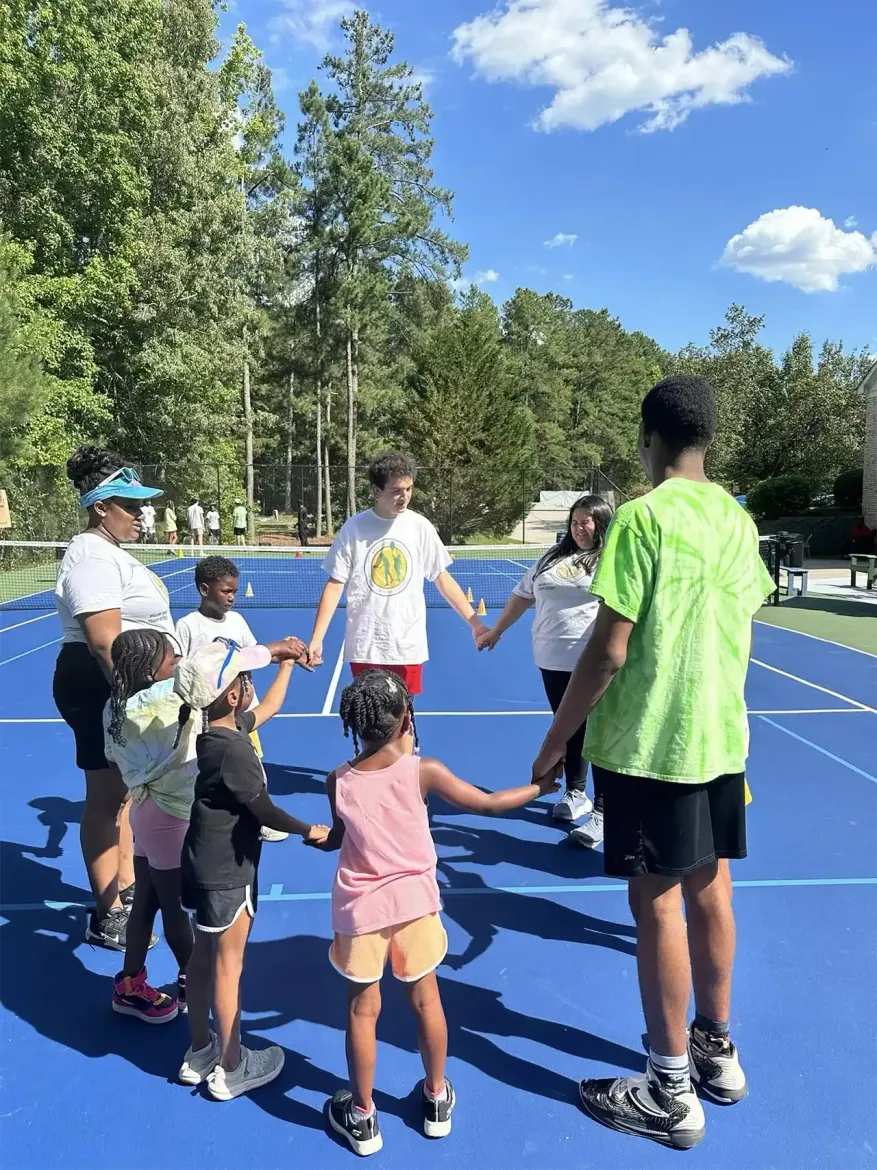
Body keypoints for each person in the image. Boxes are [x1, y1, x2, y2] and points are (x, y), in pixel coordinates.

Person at [532, 375, 776, 1151]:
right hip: (720, 739)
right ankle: (714, 1044)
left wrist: (552, 745)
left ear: (648, 438)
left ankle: (668, 1088)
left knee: (657, 906)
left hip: (649, 744)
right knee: (712, 887)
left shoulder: (638, 519)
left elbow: (606, 652)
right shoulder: (737, 520)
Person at [308, 670, 560, 1156]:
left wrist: (321, 837)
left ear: (354, 726)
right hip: (416, 907)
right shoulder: (423, 771)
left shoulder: (337, 781)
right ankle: (436, 1097)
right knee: (427, 1001)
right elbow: (487, 805)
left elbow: (338, 839)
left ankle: (362, 1117)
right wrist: (539, 788)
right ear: (407, 717)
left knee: (363, 1011)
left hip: (360, 912)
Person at [175, 639, 327, 1100]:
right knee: (228, 967)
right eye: (245, 676)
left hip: (199, 861)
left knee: (202, 958)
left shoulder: (212, 732)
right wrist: (309, 829)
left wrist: (286, 664)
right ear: (235, 694)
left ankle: (200, 1049)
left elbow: (271, 707)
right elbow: (266, 812)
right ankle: (233, 1064)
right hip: (228, 871)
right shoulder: (237, 752)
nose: (250, 680)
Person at [53, 447, 175, 950]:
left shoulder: (112, 554)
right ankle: (108, 915)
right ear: (101, 507)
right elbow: (105, 641)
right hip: (102, 685)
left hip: (121, 685)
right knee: (105, 801)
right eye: (131, 505)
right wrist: (137, 704)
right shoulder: (91, 558)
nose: (142, 514)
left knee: (123, 795)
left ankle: (125, 886)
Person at [478, 494, 613, 834]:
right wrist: (496, 630)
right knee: (568, 729)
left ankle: (603, 810)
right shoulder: (551, 558)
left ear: (600, 523)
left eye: (586, 522)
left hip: (592, 663)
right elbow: (523, 596)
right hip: (551, 659)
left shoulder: (610, 559)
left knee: (600, 733)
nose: (579, 528)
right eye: (574, 522)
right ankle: (576, 792)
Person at [308, 452, 490, 698]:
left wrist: (475, 623)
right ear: (376, 490)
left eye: (409, 489)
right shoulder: (354, 528)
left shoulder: (420, 527)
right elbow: (334, 584)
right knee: (370, 722)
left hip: (406, 646)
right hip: (366, 646)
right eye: (396, 490)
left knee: (404, 721)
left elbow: (442, 579)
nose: (404, 496)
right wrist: (317, 638)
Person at [104, 629, 197, 1023]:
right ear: (149, 667)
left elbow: (114, 758)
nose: (175, 658)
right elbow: (208, 679)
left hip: (144, 810)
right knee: (174, 905)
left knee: (146, 901)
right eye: (168, 655)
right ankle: (195, 977)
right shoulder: (169, 698)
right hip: (170, 815)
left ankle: (129, 984)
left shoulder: (115, 706)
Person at [175, 555, 289, 841]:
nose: (231, 597)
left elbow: (255, 655)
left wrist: (288, 654)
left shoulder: (237, 621)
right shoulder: (188, 626)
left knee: (252, 763)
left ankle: (260, 818)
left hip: (241, 711)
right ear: (204, 589)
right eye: (226, 591)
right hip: (206, 716)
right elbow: (183, 669)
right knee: (201, 767)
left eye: (234, 591)